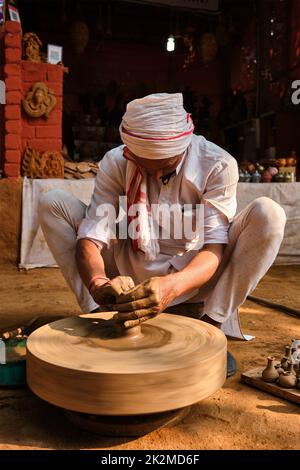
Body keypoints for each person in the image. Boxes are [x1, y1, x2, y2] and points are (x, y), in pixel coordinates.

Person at [39, 93, 286, 377]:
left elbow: (214, 248)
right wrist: (98, 283)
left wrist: (172, 286)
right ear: (131, 153)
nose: (156, 178)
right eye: (146, 169)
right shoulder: (116, 162)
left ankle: (210, 327)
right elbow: (91, 238)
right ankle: (100, 314)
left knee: (270, 215)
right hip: (127, 271)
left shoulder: (217, 164)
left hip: (193, 276)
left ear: (183, 149)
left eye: (167, 170)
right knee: (53, 203)